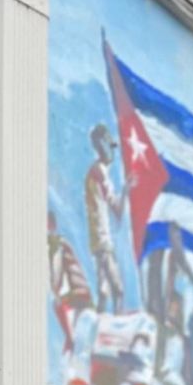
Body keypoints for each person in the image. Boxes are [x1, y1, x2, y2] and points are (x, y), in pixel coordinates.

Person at [84, 123, 126, 311]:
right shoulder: (99, 171)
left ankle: (99, 327)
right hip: (102, 239)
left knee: (104, 291)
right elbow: (116, 207)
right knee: (118, 290)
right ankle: (117, 329)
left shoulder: (95, 171)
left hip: (97, 239)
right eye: (109, 145)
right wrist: (127, 189)